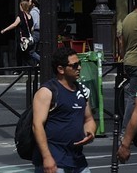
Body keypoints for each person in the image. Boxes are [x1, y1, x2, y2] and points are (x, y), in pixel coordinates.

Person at [34, 45, 95, 173]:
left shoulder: (82, 90)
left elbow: (89, 119)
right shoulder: (47, 92)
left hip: (77, 160)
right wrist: (47, 157)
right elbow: (37, 125)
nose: (79, 68)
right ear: (61, 69)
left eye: (79, 64)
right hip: (55, 161)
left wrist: (91, 132)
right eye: (74, 65)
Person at [3, 0, 39, 65]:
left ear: (22, 6)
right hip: (28, 39)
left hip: (22, 39)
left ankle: (37, 64)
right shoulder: (30, 16)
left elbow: (14, 24)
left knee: (21, 55)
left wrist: (5, 30)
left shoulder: (21, 15)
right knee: (25, 55)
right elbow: (31, 28)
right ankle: (33, 66)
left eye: (20, 5)